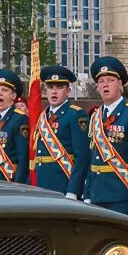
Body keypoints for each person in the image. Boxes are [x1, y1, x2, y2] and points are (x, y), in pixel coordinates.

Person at [73, 56, 128, 216]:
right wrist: (88, 192)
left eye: (110, 80)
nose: (105, 85)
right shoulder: (95, 116)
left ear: (120, 85)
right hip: (97, 193)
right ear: (97, 87)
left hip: (123, 194)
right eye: (101, 81)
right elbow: (93, 158)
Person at [31, 65, 86, 195]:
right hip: (41, 184)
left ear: (68, 90)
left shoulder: (75, 115)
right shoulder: (43, 117)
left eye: (59, 87)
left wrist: (73, 190)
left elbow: (82, 157)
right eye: (50, 87)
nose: (54, 92)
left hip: (63, 184)